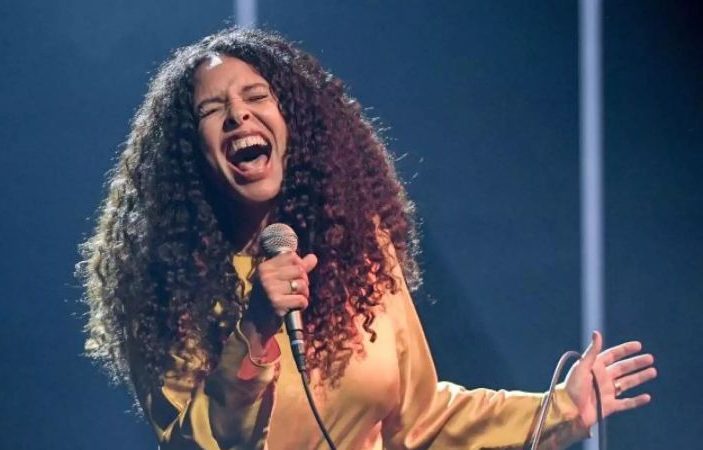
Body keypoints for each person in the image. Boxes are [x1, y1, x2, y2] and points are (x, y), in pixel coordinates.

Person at [78, 28, 656, 449]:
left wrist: (562, 412)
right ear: (189, 157)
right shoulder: (164, 288)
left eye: (256, 98)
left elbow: (422, 419)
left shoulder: (357, 253)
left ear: (293, 122)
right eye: (213, 110)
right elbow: (203, 443)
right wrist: (255, 328)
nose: (239, 118)